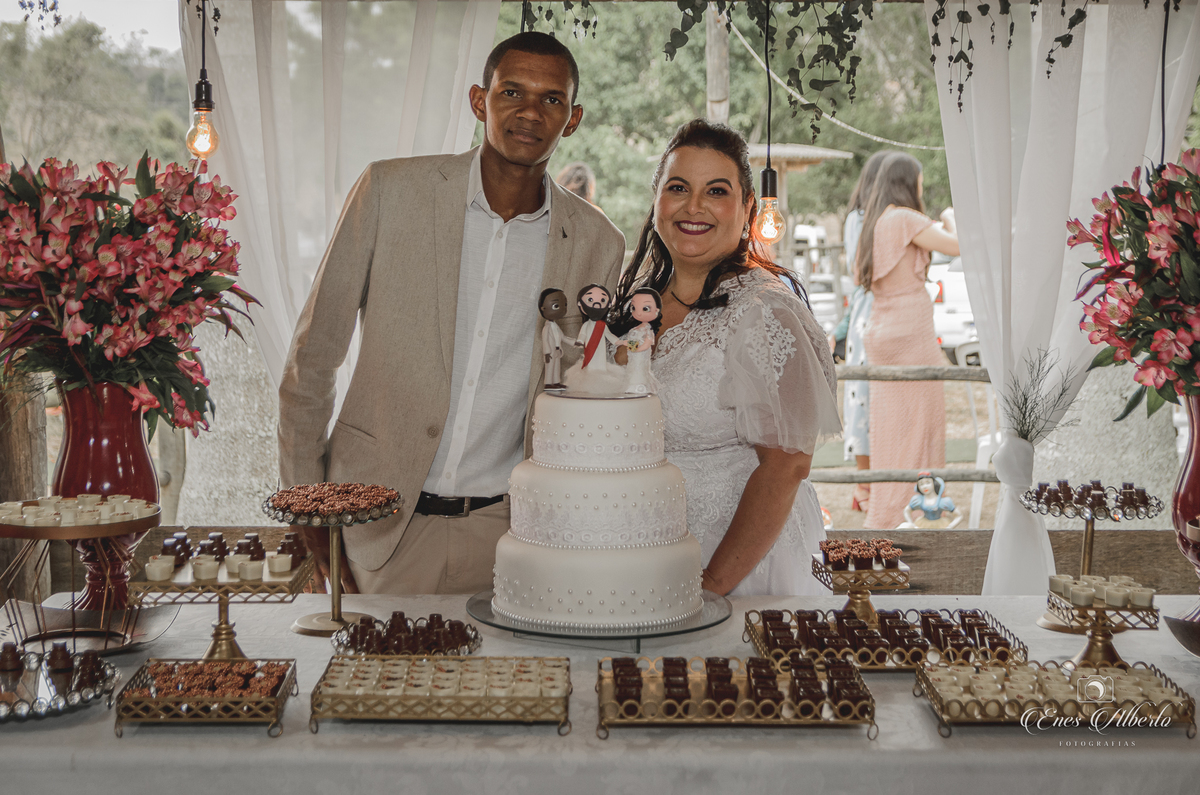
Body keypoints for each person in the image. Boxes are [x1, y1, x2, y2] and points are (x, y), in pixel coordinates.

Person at [277, 32, 625, 595]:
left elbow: (580, 390)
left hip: (513, 534)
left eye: (551, 98)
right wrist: (305, 505)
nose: (530, 111)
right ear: (479, 101)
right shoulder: (390, 190)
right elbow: (313, 357)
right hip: (376, 523)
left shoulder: (597, 242)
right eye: (511, 91)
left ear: (573, 118)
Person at [610, 119, 841, 596]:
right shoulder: (637, 304)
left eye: (716, 191)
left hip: (739, 572)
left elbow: (787, 466)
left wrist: (712, 585)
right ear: (656, 199)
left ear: (747, 208)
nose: (694, 207)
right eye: (678, 188)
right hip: (643, 556)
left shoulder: (764, 311)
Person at [856, 152, 959, 530]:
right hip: (910, 330)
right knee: (921, 425)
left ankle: (888, 511)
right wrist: (949, 214)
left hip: (882, 328)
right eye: (919, 180)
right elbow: (956, 245)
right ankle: (916, 512)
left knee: (890, 427)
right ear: (907, 182)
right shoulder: (904, 218)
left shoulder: (875, 221)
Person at [840, 151, 892, 513]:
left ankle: (875, 483)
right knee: (864, 395)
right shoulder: (860, 219)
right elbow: (859, 271)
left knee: (881, 396)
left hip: (877, 310)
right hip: (870, 310)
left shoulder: (875, 219)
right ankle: (864, 483)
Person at [620, 287, 662, 394]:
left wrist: (636, 349)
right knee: (632, 368)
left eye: (645, 308)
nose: (638, 313)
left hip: (640, 355)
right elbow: (632, 342)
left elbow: (647, 344)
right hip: (633, 355)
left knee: (639, 370)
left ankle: (639, 385)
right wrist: (629, 345)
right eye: (634, 308)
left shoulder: (648, 330)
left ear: (656, 311)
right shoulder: (635, 329)